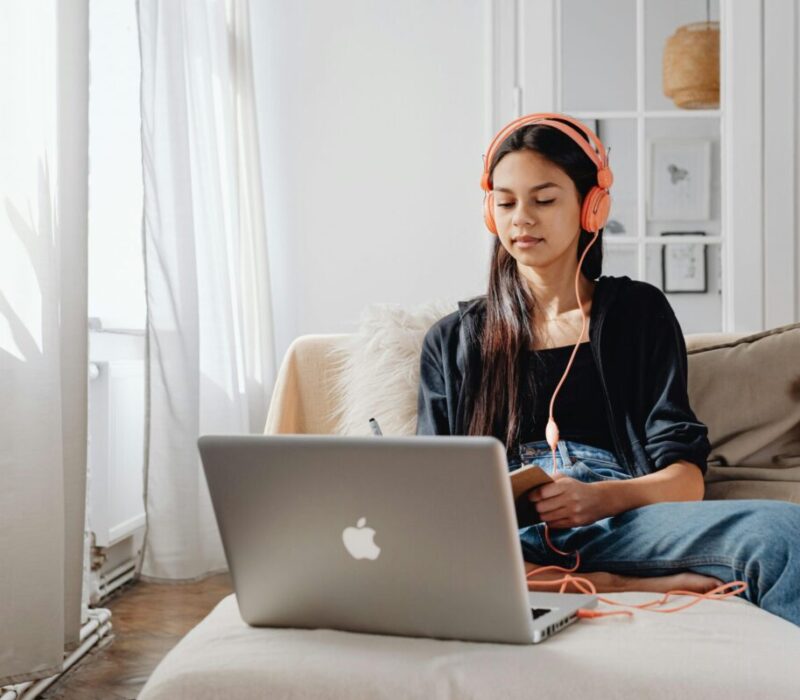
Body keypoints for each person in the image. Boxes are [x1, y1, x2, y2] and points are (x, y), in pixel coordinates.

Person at [415, 113, 800, 626]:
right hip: (504, 538)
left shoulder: (637, 313)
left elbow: (686, 479)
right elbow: (428, 501)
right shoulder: (453, 339)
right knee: (423, 545)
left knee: (784, 535)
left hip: (624, 521)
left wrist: (600, 498)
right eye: (505, 202)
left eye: (544, 199)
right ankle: (609, 585)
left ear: (591, 206)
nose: (521, 218)